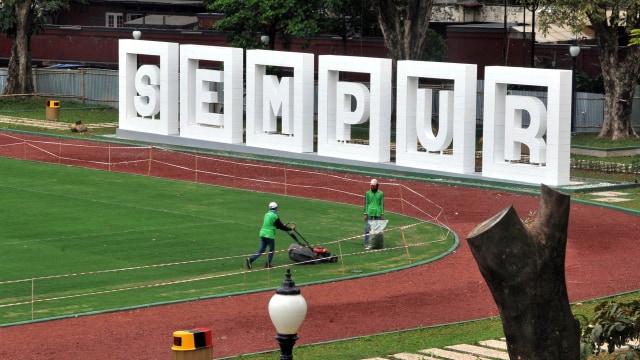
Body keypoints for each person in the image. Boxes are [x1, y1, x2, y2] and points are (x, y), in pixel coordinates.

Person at [246, 201, 295, 269]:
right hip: (269, 235)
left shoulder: (266, 214)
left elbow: (272, 224)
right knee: (271, 250)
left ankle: (250, 260)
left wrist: (279, 226)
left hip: (262, 233)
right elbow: (281, 226)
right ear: (275, 208)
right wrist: (290, 229)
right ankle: (268, 264)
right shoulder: (275, 216)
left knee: (261, 249)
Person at [363, 178, 384, 249]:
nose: (372, 187)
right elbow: (366, 204)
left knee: (378, 228)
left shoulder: (381, 194)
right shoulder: (368, 193)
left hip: (378, 212)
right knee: (367, 228)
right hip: (369, 212)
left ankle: (377, 243)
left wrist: (382, 213)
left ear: (377, 185)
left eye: (373, 186)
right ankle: (366, 242)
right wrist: (365, 213)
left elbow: (381, 204)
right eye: (371, 185)